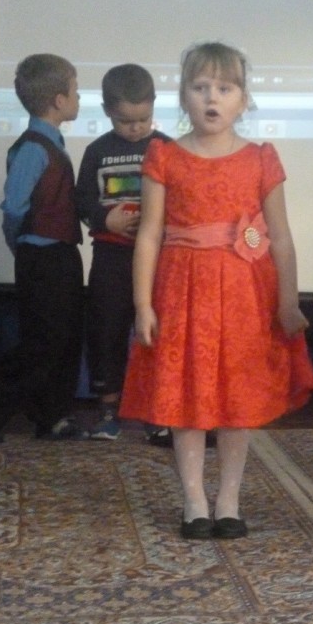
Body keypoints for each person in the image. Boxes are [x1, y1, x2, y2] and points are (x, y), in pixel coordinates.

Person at [119, 42, 313, 540]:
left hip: (244, 298)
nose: (212, 98)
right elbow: (149, 235)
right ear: (183, 97)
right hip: (182, 295)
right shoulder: (164, 155)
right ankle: (193, 500)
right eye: (201, 87)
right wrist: (143, 303)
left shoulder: (260, 159)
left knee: (236, 399)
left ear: (243, 99)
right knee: (185, 398)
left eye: (225, 88)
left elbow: (281, 237)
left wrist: (288, 301)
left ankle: (229, 498)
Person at [0, 53, 87, 443]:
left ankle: (51, 416)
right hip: (41, 256)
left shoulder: (52, 142)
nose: (79, 97)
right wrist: (20, 246)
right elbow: (14, 207)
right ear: (58, 100)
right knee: (43, 341)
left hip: (62, 254)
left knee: (66, 338)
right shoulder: (33, 148)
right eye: (76, 91)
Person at [75, 63, 172, 444]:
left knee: (156, 334)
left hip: (159, 260)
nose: (135, 128)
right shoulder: (97, 151)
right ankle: (108, 411)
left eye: (143, 119)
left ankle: (156, 413)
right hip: (110, 258)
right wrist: (105, 219)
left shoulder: (167, 148)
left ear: (154, 106)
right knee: (107, 331)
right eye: (125, 121)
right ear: (106, 111)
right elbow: (82, 200)